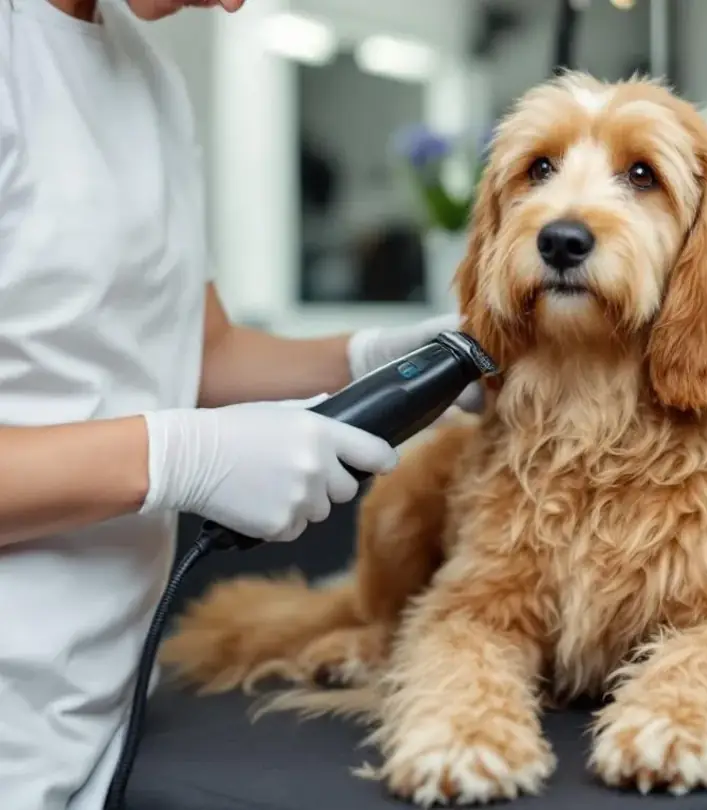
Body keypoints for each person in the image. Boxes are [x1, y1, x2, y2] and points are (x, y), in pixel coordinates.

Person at [0, 0, 481, 807]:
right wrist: (181, 456)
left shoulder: (147, 75)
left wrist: (365, 359)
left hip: (110, 713)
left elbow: (201, 350)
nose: (235, 3)